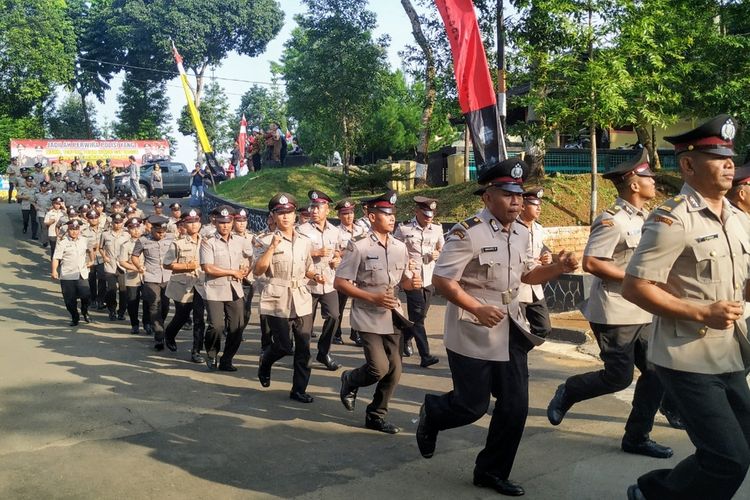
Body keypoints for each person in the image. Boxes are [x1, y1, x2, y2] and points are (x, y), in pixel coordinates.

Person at [414, 158, 579, 496]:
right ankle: (433, 412)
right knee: (471, 406)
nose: (516, 202)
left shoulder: (521, 233)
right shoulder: (467, 232)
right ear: (487, 197)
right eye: (507, 194)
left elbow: (527, 276)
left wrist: (558, 268)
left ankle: (490, 470)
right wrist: (476, 306)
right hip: (472, 330)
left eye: (519, 195)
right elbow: (444, 279)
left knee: (515, 407)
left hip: (511, 327)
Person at [621, 114, 750, 500]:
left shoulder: (739, 220)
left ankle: (652, 491)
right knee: (728, 458)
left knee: (739, 448)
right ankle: (655, 491)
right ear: (689, 164)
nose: (729, 163)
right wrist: (701, 312)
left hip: (730, 353)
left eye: (730, 155)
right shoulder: (671, 219)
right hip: (686, 358)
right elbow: (635, 286)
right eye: (717, 156)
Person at [546, 149, 673, 460]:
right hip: (615, 310)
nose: (653, 181)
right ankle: (570, 391)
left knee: (657, 371)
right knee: (619, 376)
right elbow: (591, 262)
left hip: (644, 308)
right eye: (648, 177)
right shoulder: (611, 221)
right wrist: (636, 277)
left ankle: (637, 436)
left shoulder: (648, 218)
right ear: (632, 184)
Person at [335, 190, 422, 434]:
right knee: (378, 368)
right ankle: (350, 380)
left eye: (393, 213)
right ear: (372, 217)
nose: (391, 218)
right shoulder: (358, 247)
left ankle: (375, 415)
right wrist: (372, 297)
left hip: (392, 313)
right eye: (385, 214)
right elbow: (340, 283)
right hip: (367, 315)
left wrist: (411, 284)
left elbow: (402, 283)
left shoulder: (400, 247)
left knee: (394, 371)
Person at [254, 194, 318, 403]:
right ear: (272, 216)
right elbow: (258, 270)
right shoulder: (262, 240)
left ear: (295, 215)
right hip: (277, 297)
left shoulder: (305, 241)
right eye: (280, 213)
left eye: (289, 213)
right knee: (283, 346)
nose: (285, 217)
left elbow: (307, 267)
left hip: (301, 297)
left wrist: (315, 274)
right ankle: (266, 361)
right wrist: (272, 247)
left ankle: (299, 389)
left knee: (304, 346)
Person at [200, 205, 253, 371]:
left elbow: (251, 256)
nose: (225, 226)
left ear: (232, 222)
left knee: (237, 326)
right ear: (215, 223)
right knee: (216, 326)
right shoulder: (208, 242)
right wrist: (232, 271)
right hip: (215, 289)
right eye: (222, 222)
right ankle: (212, 352)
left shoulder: (241, 241)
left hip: (234, 288)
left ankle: (227, 359)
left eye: (228, 222)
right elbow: (208, 268)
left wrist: (246, 270)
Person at [394, 196, 444, 367]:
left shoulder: (437, 229)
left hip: (429, 277)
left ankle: (404, 337)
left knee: (421, 315)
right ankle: (426, 355)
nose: (429, 218)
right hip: (412, 278)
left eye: (431, 215)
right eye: (425, 214)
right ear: (417, 212)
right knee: (418, 316)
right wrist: (406, 262)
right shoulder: (404, 229)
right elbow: (394, 250)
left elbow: (442, 248)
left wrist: (438, 254)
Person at [296, 190, 344, 370]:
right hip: (307, 284)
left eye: (318, 207)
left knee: (334, 316)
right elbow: (295, 253)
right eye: (312, 207)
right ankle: (303, 356)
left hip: (328, 282)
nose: (314, 211)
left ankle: (324, 352)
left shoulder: (334, 230)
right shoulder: (302, 230)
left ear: (327, 210)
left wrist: (337, 258)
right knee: (305, 327)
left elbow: (339, 250)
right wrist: (315, 253)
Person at [163, 209, 206, 363]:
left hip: (201, 285)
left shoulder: (207, 241)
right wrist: (188, 266)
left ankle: (196, 351)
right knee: (181, 316)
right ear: (184, 224)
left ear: (200, 223)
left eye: (196, 221)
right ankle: (169, 334)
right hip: (182, 285)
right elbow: (167, 264)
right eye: (190, 222)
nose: (194, 225)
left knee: (199, 319)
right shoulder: (178, 244)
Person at [515, 187, 553, 339]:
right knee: (518, 332)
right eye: (534, 205)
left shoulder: (539, 228)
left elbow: (541, 247)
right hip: (518, 288)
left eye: (540, 205)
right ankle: (517, 356)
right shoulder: (512, 227)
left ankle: (521, 350)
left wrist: (548, 256)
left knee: (544, 328)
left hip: (535, 289)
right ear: (523, 206)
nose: (539, 208)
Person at [131, 215, 173, 349]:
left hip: (167, 277)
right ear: (152, 229)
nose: (161, 234)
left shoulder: (171, 239)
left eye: (163, 232)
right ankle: (159, 336)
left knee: (165, 306)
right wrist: (139, 266)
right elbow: (134, 256)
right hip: (150, 277)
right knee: (154, 305)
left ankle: (160, 324)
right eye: (158, 232)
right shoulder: (143, 240)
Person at [333, 199, 364, 346]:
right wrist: (346, 252)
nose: (349, 216)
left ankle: (356, 333)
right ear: (339, 215)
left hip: (359, 273)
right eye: (345, 214)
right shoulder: (336, 232)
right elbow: (335, 253)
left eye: (351, 213)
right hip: (343, 273)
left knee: (358, 304)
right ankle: (336, 333)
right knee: (339, 306)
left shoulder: (361, 230)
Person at [51, 219, 93, 326]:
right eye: (72, 229)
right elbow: (56, 258)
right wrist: (54, 271)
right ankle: (75, 316)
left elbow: (91, 250)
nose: (74, 232)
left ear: (79, 230)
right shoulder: (62, 242)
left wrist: (91, 260)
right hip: (67, 275)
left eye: (76, 229)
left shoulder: (84, 240)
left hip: (81, 273)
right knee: (69, 301)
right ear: (68, 230)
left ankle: (85, 311)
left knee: (86, 295)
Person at [119, 217, 147, 335]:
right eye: (132, 228)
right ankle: (134, 324)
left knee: (148, 301)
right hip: (132, 276)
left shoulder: (147, 242)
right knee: (132, 301)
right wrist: (136, 268)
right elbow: (122, 262)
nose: (136, 231)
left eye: (137, 228)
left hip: (147, 275)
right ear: (128, 230)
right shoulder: (125, 245)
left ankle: (147, 323)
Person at [99, 213, 129, 321]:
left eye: (120, 222)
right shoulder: (105, 234)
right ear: (112, 223)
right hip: (110, 265)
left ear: (122, 223)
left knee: (123, 290)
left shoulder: (127, 235)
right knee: (111, 289)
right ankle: (112, 310)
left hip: (122, 266)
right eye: (115, 222)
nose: (117, 224)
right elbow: (100, 247)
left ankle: (121, 312)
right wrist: (104, 256)